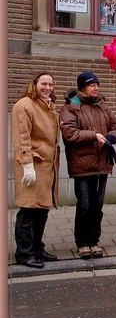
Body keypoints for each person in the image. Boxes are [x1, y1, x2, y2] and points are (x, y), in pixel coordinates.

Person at [59, 72, 116, 259]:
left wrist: (111, 136)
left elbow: (115, 126)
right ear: (82, 87)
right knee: (85, 205)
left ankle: (94, 241)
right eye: (91, 85)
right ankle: (82, 242)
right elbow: (70, 134)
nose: (96, 88)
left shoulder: (102, 106)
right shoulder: (71, 108)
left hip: (102, 163)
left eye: (97, 84)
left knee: (97, 206)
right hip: (83, 165)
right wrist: (93, 135)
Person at [11, 72, 61, 269]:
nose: (47, 88)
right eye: (43, 84)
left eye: (50, 84)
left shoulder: (47, 106)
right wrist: (26, 164)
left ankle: (37, 248)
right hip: (34, 164)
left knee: (41, 210)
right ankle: (24, 253)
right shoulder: (24, 105)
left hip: (46, 166)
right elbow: (21, 136)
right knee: (28, 210)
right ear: (35, 84)